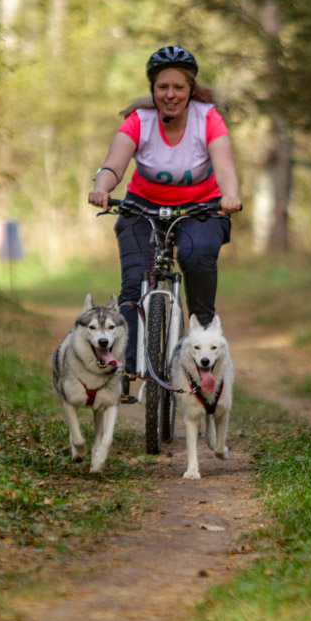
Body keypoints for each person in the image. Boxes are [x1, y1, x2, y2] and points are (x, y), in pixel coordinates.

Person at [87, 46, 242, 400]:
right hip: (142, 207)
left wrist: (229, 196)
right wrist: (101, 187)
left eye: (178, 88)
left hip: (201, 208)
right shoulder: (139, 121)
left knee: (196, 254)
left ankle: (203, 336)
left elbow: (226, 166)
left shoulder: (208, 118)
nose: (169, 95)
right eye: (162, 88)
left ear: (190, 90)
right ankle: (123, 369)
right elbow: (114, 164)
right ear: (153, 89)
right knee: (133, 281)